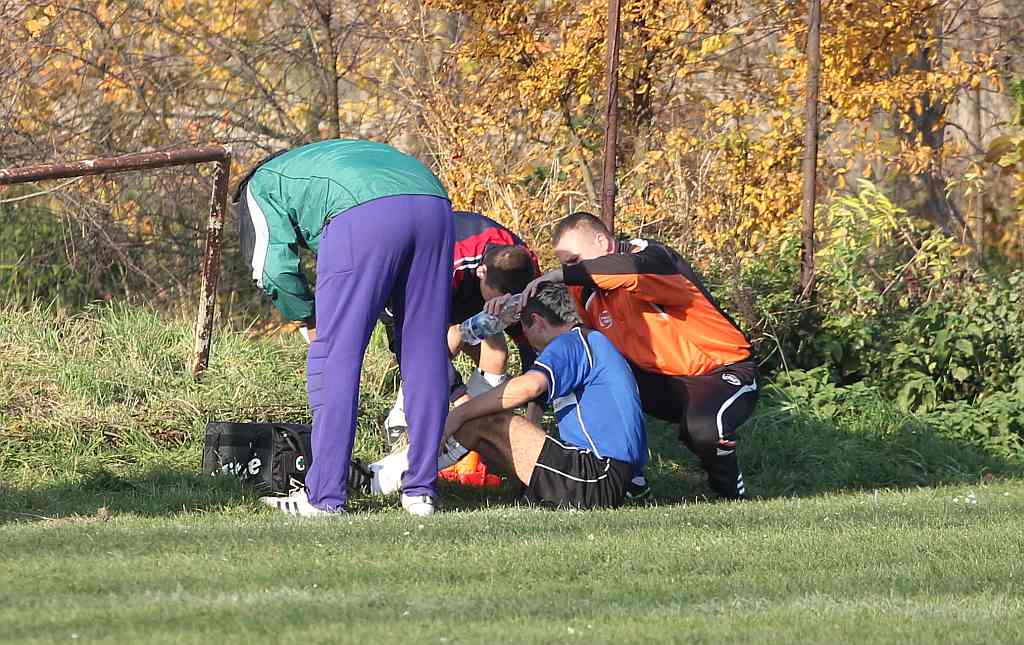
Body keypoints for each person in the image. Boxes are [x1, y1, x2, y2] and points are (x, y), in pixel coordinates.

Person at [233, 139, 454, 517]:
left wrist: (306, 316)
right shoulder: (321, 159)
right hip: (435, 203)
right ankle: (420, 492)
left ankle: (324, 497)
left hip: (361, 214)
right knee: (425, 351)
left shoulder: (261, 184)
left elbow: (273, 267)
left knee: (336, 356)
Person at [520, 212, 758, 500]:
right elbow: (582, 348)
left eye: (573, 260)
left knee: (704, 428)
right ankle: (628, 478)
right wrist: (504, 309)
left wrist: (563, 274)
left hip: (721, 371)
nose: (568, 269)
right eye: (564, 263)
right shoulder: (585, 291)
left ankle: (731, 494)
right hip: (659, 381)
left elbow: (629, 270)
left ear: (602, 242)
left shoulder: (653, 258)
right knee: (587, 375)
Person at [439, 283, 647, 509]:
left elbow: (530, 386)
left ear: (537, 321)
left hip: (598, 475)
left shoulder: (570, 342)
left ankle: (408, 474)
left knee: (486, 421)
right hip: (617, 478)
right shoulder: (590, 340)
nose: (529, 342)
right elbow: (534, 410)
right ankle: (416, 473)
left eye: (525, 332)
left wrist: (459, 414)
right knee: (485, 426)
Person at [380, 211, 541, 445]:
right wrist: (459, 398)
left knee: (496, 355)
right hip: (410, 289)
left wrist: (533, 414)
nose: (498, 310)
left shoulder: (526, 264)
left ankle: (476, 432)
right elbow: (418, 344)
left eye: (506, 304)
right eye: (494, 302)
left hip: (465, 282)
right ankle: (403, 415)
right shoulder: (447, 266)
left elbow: (532, 341)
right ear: (481, 273)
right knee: (444, 345)